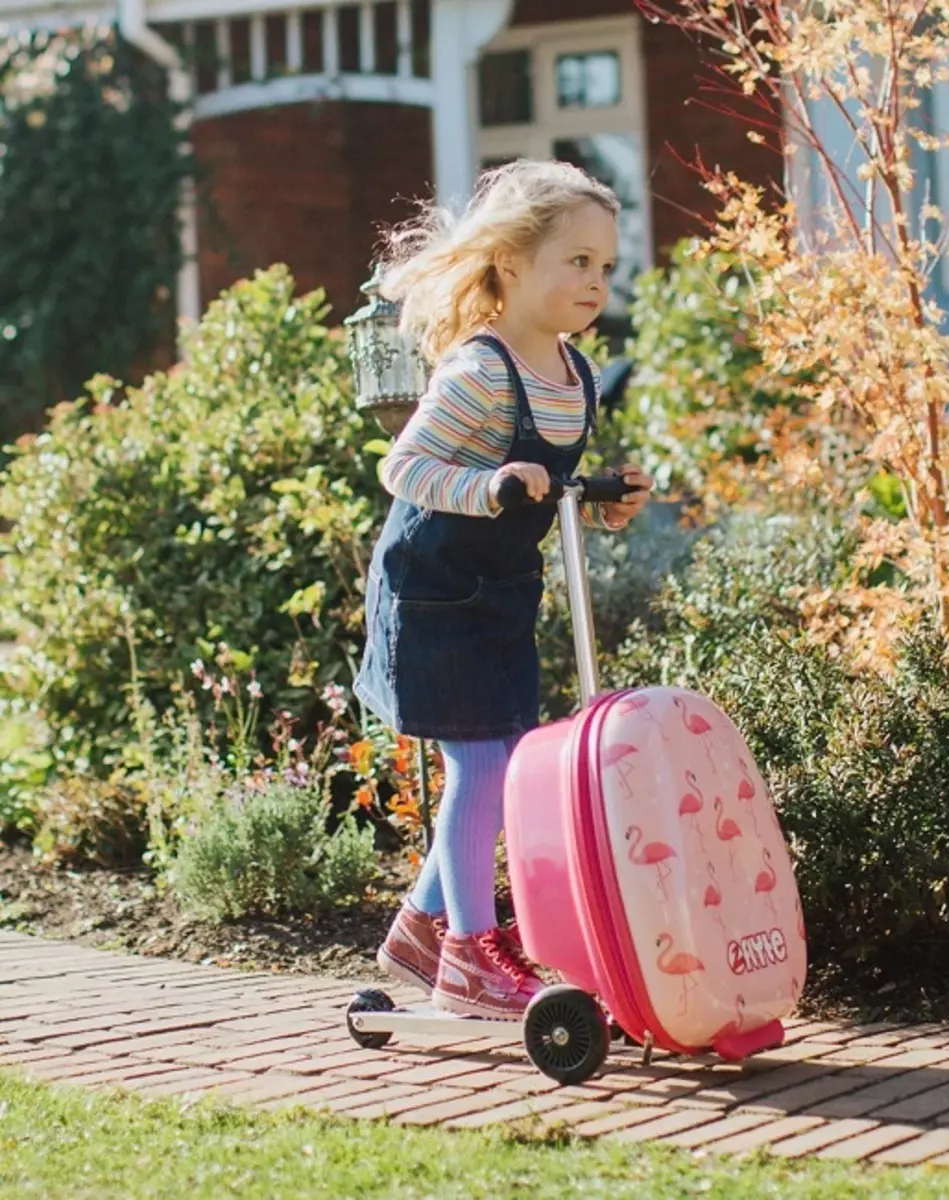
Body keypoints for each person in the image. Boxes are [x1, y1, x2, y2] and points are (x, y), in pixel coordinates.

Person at [353, 160, 652, 1020]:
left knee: (501, 760)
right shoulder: (480, 371)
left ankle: (422, 926)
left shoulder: (578, 374)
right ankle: (469, 954)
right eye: (576, 262)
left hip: (501, 596)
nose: (595, 281)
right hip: (433, 595)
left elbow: (548, 492)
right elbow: (402, 466)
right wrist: (486, 486)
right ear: (513, 264)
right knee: (482, 760)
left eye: (604, 265)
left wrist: (606, 504)